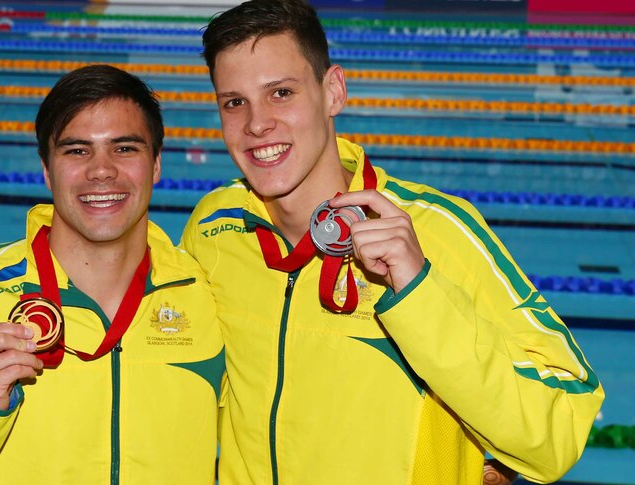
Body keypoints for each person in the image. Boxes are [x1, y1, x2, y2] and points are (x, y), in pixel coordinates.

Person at [180, 1, 604, 484]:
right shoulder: (215, 226)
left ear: (332, 91)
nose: (257, 124)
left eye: (280, 93)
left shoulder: (435, 228)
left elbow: (561, 429)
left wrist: (419, 291)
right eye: (234, 101)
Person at [0, 65, 224, 484]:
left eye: (124, 148)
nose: (101, 171)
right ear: (47, 170)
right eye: (77, 150)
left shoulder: (207, 294)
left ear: (155, 164)